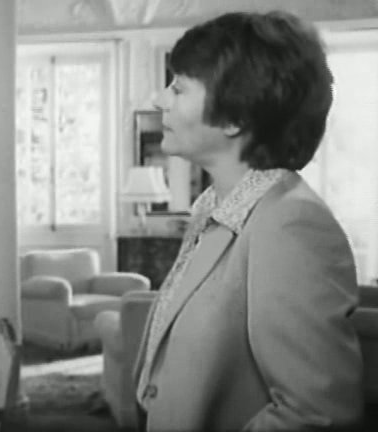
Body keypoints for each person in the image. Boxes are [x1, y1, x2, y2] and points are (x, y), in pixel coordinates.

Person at [132, 11, 363, 431]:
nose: (159, 99)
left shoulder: (291, 224)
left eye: (178, 88)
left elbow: (316, 413)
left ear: (234, 118)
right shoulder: (214, 207)